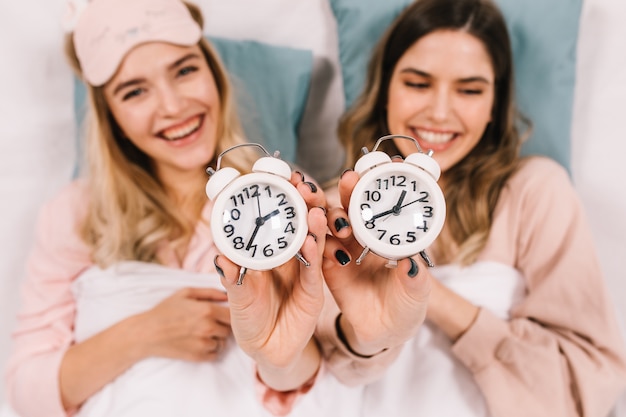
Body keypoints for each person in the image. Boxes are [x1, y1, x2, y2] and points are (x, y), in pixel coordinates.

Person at [3, 0, 334, 416]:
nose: (174, 106)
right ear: (111, 118)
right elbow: (25, 391)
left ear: (214, 75)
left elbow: (316, 378)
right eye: (135, 90)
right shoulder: (73, 214)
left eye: (184, 70)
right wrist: (145, 332)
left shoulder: (283, 197)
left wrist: (276, 351)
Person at [319, 0, 626, 415]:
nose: (440, 112)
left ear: (493, 108)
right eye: (418, 83)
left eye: (469, 89)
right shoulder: (337, 208)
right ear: (385, 92)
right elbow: (313, 381)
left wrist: (430, 297)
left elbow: (586, 387)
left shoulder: (533, 192)